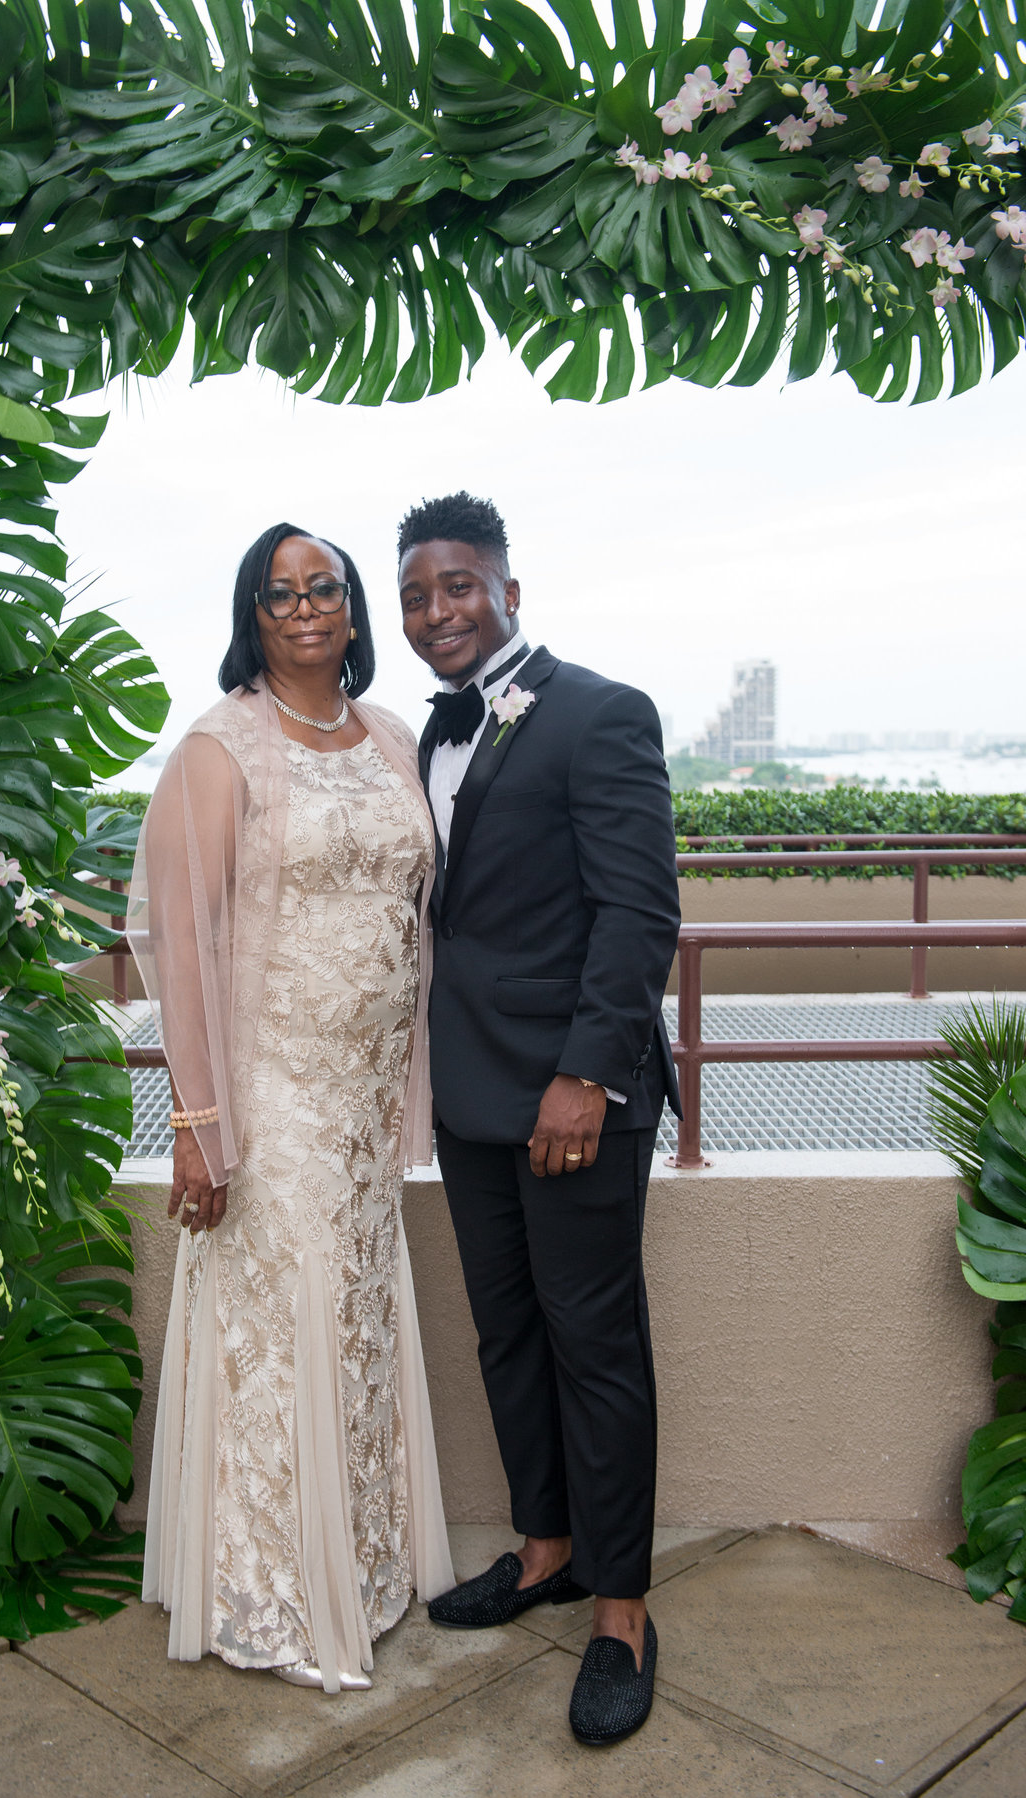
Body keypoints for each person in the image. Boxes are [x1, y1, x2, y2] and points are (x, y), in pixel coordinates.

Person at [127, 523, 454, 1694]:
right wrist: (200, 1127)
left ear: (355, 610)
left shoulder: (396, 741)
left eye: (326, 586)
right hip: (276, 1099)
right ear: (252, 615)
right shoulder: (221, 750)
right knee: (284, 1324)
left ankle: (360, 1565)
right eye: (282, 592)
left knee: (357, 1315)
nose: (306, 605)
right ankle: (268, 1588)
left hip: (364, 1107)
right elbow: (184, 945)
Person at [397, 492, 681, 1747]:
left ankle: (620, 1612)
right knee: (506, 1338)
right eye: (415, 596)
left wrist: (587, 1076)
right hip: (469, 1099)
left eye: (458, 585)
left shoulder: (600, 712)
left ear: (511, 588)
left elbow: (637, 916)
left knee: (595, 1346)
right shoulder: (423, 739)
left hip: (573, 1098)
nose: (437, 611)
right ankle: (543, 1548)